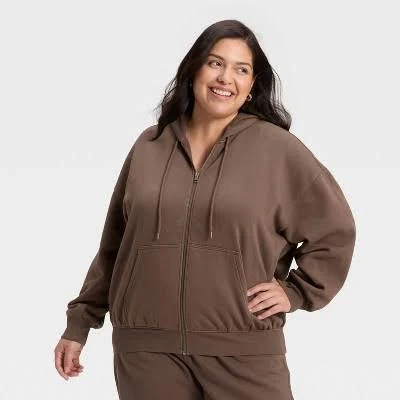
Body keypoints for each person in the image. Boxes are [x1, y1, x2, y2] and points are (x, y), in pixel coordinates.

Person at [54, 19, 356, 399]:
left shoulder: (278, 151)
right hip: (147, 354)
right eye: (215, 63)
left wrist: (295, 291)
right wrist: (80, 322)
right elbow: (114, 245)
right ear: (194, 69)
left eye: (241, 69)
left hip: (242, 351)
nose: (225, 78)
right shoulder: (150, 146)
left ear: (251, 86)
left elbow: (334, 232)